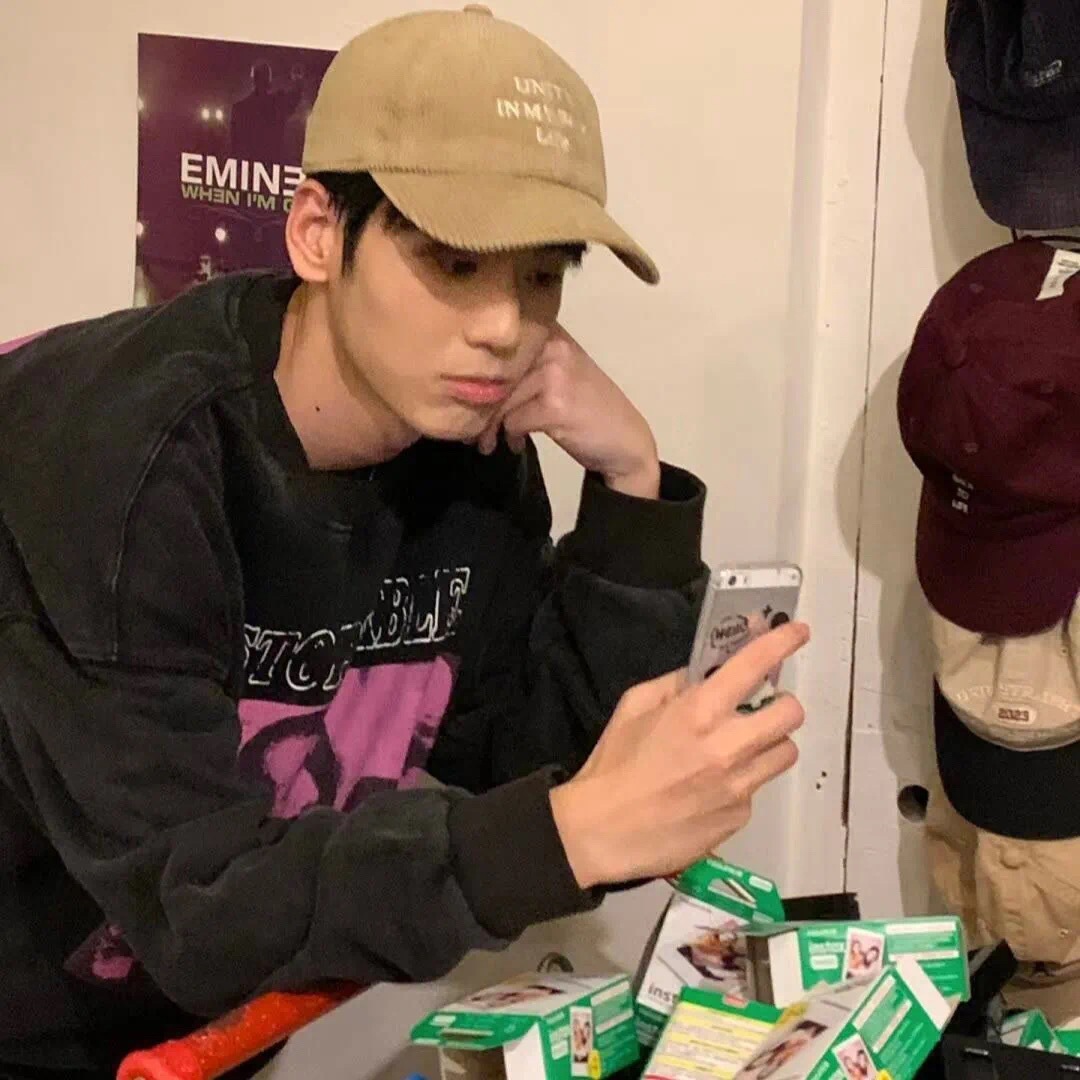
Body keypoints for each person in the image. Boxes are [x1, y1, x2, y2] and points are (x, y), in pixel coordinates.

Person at [0, 6, 808, 1075]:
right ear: (317, 233)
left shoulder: (465, 446)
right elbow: (199, 903)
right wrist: (570, 833)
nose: (505, 327)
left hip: (198, 1030)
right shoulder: (122, 463)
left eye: (541, 274)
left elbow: (531, 769)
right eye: (456, 262)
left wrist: (633, 493)